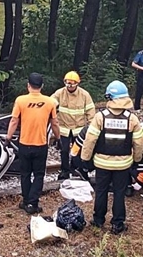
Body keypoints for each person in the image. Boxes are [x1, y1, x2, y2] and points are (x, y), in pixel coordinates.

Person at [80, 81, 143, 234]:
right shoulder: (132, 119)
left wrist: (85, 159)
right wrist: (137, 160)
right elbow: (139, 143)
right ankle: (118, 223)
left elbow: (90, 140)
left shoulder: (100, 117)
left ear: (109, 97)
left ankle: (98, 220)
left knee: (101, 191)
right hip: (123, 165)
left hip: (102, 164)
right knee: (119, 193)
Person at [5, 73, 60, 214]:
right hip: (40, 144)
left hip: (24, 143)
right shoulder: (49, 102)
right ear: (42, 86)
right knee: (39, 174)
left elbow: (14, 121)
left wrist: (8, 138)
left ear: (28, 85)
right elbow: (54, 123)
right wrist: (58, 138)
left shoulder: (20, 101)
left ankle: (26, 201)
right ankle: (33, 203)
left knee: (25, 174)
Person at [50, 71, 96, 180]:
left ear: (77, 83)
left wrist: (91, 128)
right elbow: (50, 104)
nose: (70, 86)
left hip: (78, 129)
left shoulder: (84, 95)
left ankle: (76, 169)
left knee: (78, 151)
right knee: (64, 150)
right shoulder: (59, 93)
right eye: (68, 83)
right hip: (64, 129)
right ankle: (64, 171)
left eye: (72, 83)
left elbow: (91, 112)